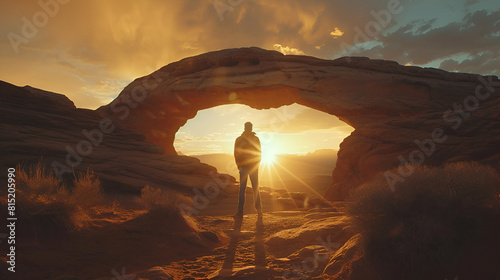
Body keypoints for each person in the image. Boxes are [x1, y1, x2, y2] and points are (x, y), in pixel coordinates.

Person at [233, 122, 262, 218]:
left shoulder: (239, 139)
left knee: (242, 189)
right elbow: (259, 152)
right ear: (250, 128)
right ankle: (259, 210)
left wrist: (238, 165)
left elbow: (236, 153)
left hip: (244, 166)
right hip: (252, 166)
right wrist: (257, 164)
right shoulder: (255, 139)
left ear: (245, 127)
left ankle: (240, 211)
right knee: (255, 188)